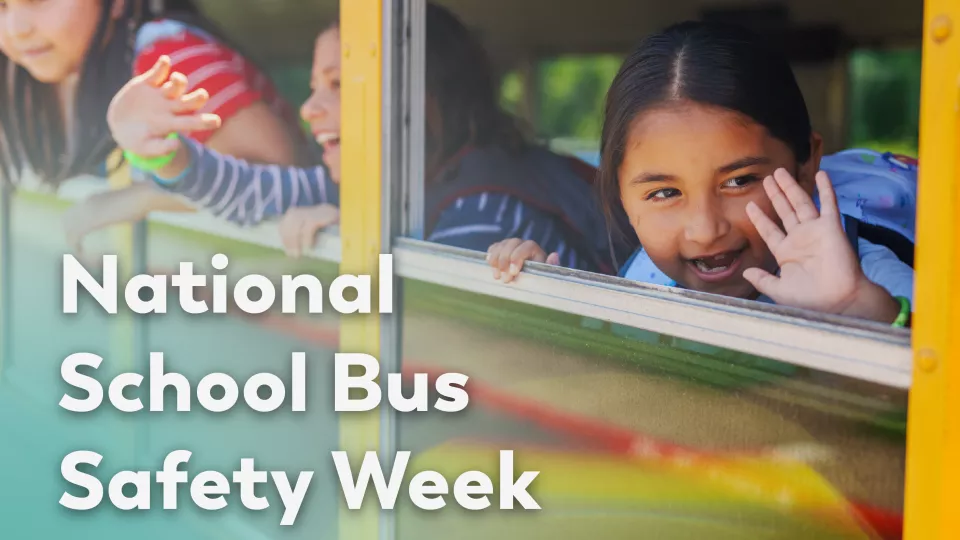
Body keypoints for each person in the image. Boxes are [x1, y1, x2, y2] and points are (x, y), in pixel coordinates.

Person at [106, 3, 635, 270]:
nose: (311, 109)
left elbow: (444, 343)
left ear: (419, 99)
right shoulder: (375, 180)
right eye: (314, 87)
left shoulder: (485, 207)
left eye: (338, 85)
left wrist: (358, 244)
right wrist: (162, 149)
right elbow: (249, 193)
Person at [486, 21, 914, 326]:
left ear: (806, 164)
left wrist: (860, 310)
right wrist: (542, 307)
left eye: (739, 181)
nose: (705, 230)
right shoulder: (644, 277)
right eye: (664, 193)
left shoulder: (868, 272)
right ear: (619, 191)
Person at [0, 0, 304, 253]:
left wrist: (144, 197)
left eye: (37, 0)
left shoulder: (171, 63)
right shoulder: (38, 76)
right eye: (2, 6)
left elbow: (292, 179)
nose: (16, 29)